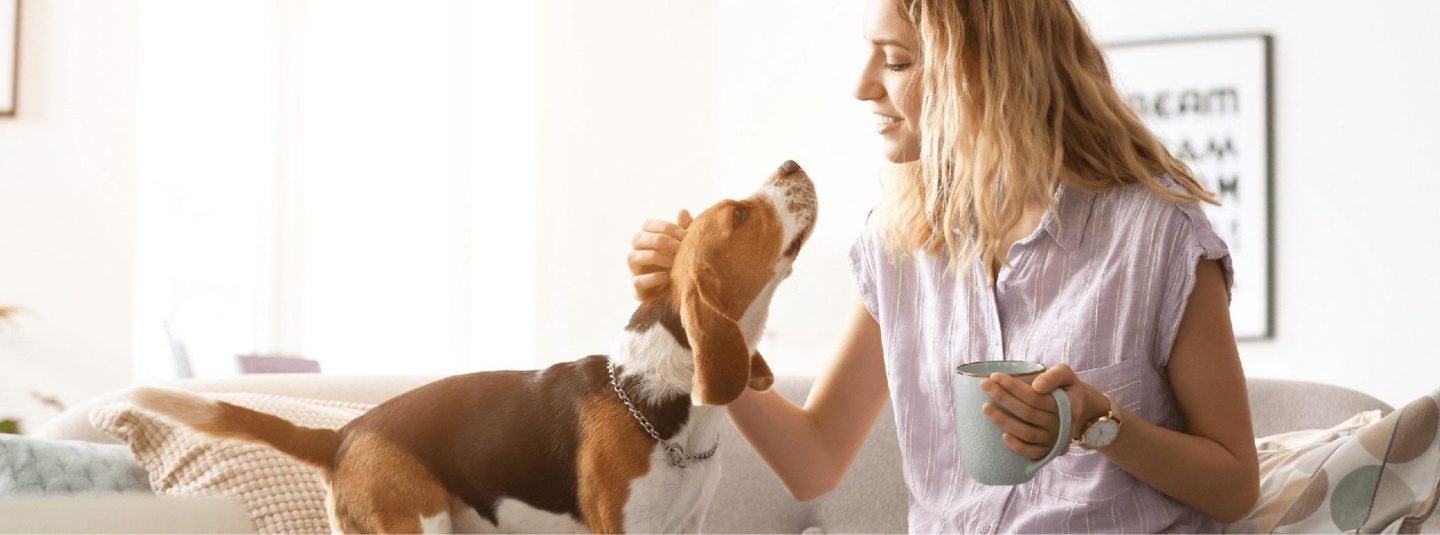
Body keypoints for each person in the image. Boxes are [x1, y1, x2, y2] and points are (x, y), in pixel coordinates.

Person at [627, 0, 1259, 532]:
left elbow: (1235, 484)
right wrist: (705, 323)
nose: (863, 85)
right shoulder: (898, 243)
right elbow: (813, 461)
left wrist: (1095, 423)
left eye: (897, 60)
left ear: (984, 70)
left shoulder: (1156, 239)